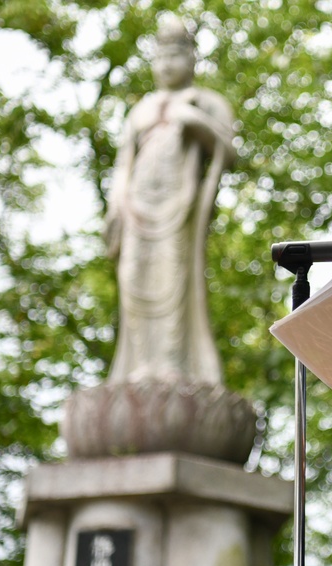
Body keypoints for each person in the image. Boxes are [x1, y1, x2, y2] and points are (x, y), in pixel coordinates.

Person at [105, 17, 235, 385]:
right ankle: (140, 365)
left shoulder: (206, 102)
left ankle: (172, 364)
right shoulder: (141, 109)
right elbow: (123, 165)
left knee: (172, 281)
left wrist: (196, 122)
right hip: (137, 207)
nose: (166, 64)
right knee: (134, 281)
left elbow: (228, 150)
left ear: (192, 58)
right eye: (160, 56)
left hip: (178, 205)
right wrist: (116, 205)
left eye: (176, 55)